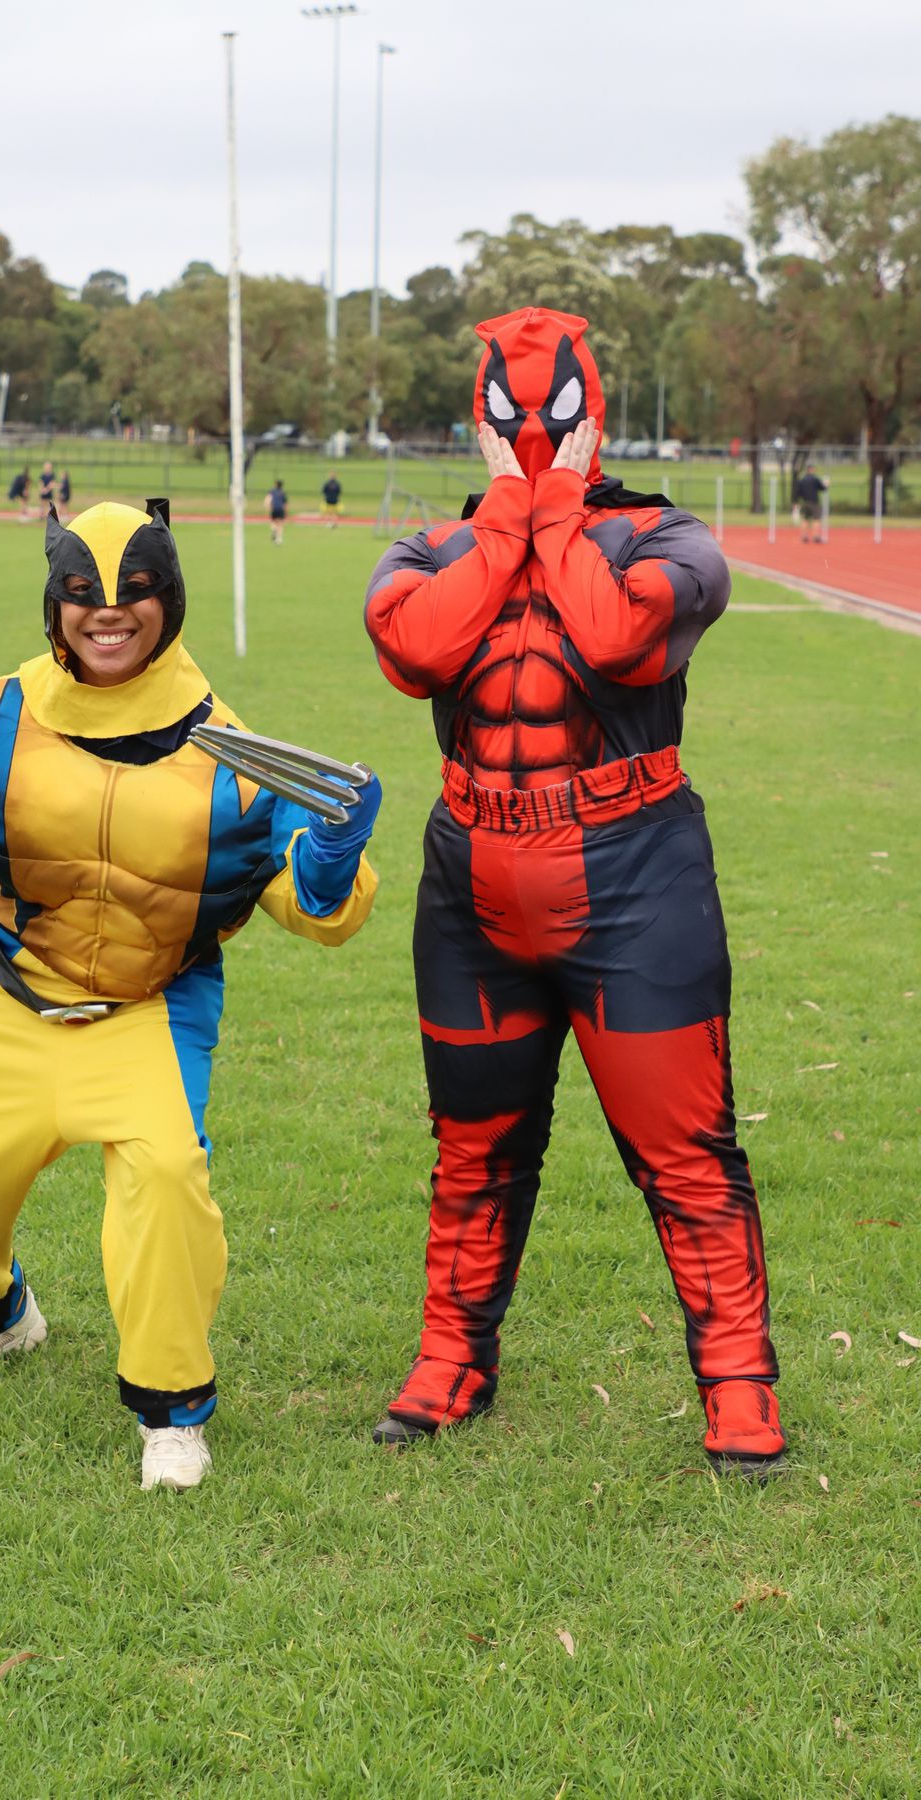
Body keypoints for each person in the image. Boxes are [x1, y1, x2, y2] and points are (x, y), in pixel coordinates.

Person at [0, 499, 381, 1493]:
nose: (107, 612)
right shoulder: (1, 715)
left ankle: (173, 1411)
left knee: (166, 1183)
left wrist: (333, 861)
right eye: (82, 593)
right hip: (10, 990)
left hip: (150, 1006)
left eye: (135, 592)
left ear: (171, 601)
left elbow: (309, 903)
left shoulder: (232, 752)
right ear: (55, 603)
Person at [364, 305, 785, 1480]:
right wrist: (512, 510)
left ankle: (739, 1384)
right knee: (472, 1145)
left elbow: (607, 639)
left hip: (634, 876)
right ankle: (452, 1361)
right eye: (511, 414)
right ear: (478, 420)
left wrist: (551, 502)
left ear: (593, 413)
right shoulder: (431, 551)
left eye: (554, 412)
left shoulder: (667, 539)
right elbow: (420, 654)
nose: (533, 430)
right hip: (472, 883)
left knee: (686, 1152)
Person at [792, 463, 828, 543]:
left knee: (805, 519)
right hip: (814, 503)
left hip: (805, 502)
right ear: (811, 469)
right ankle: (816, 537)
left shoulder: (802, 480)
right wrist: (826, 484)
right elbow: (823, 488)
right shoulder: (815, 479)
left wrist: (795, 502)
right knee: (816, 519)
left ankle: (804, 536)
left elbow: (797, 492)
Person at [265, 479, 288, 545]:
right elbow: (285, 504)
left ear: (276, 484)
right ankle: (279, 539)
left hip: (274, 508)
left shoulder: (271, 491)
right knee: (280, 524)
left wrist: (268, 507)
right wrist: (286, 512)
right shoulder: (283, 492)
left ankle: (274, 530)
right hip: (280, 509)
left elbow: (267, 500)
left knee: (273, 522)